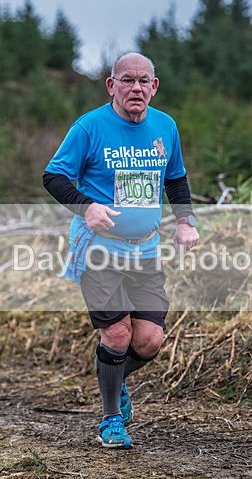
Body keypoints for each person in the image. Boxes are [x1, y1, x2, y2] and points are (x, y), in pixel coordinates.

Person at [43, 52, 199, 449]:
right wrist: (87, 207)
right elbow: (53, 175)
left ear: (154, 86)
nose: (136, 88)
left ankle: (114, 378)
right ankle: (111, 419)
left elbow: (176, 178)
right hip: (99, 248)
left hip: (146, 250)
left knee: (148, 341)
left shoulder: (165, 126)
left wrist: (184, 222)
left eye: (144, 81)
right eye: (127, 80)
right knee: (116, 333)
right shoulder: (90, 127)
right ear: (111, 85)